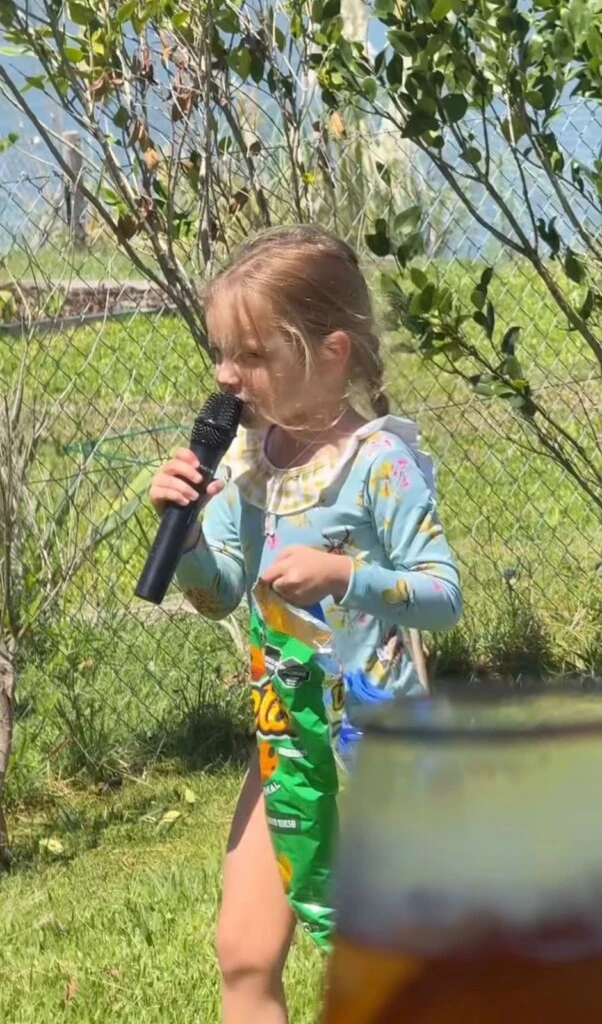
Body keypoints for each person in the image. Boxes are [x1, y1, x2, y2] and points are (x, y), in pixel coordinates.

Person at [149, 225, 462, 1023]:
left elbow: (443, 596)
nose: (226, 376)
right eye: (222, 352)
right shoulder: (247, 465)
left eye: (251, 356)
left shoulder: (378, 464)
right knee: (244, 952)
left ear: (332, 353)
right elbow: (222, 594)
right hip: (285, 738)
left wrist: (347, 576)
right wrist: (184, 542)